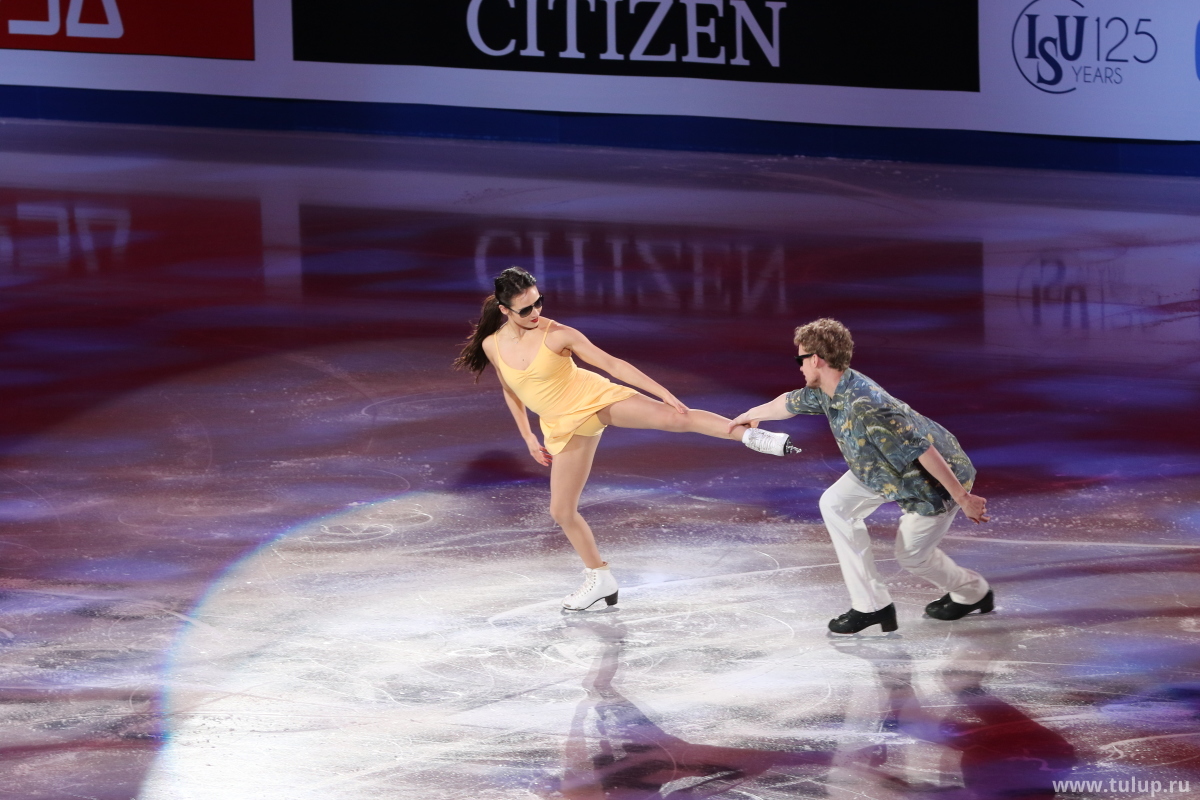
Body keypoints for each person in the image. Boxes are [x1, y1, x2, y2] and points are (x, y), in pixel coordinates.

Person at [455, 267, 798, 611]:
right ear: (504, 310)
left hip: (594, 399)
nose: (536, 313)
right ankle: (600, 579)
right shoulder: (492, 345)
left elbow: (612, 365)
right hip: (561, 426)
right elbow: (511, 390)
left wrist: (660, 390)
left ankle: (752, 436)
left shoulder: (558, 334)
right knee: (561, 510)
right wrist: (528, 436)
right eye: (526, 309)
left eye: (539, 302)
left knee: (675, 418)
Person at [729, 318, 992, 634]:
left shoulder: (864, 404)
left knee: (912, 557)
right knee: (835, 505)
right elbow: (789, 402)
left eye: (800, 359)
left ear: (816, 360)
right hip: (878, 469)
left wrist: (963, 499)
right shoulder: (829, 388)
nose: (798, 366)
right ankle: (872, 606)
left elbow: (923, 450)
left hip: (929, 484)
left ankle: (973, 592)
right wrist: (749, 415)